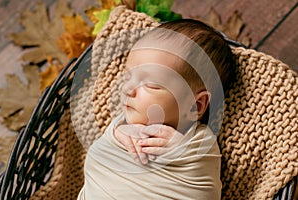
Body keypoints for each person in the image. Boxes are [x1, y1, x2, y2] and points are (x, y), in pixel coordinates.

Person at [77, 19, 236, 200]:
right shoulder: (120, 126)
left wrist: (180, 149)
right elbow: (98, 161)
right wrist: (115, 135)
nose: (127, 89)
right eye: (128, 77)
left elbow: (203, 188)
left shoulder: (199, 142)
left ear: (195, 106)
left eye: (151, 84)